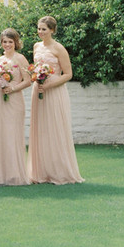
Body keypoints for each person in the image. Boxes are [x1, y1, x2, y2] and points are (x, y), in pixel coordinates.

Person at [27, 16, 84, 184]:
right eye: (38, 28)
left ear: (52, 30)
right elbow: (35, 68)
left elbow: (68, 74)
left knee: (55, 128)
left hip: (55, 91)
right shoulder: (36, 46)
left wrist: (50, 84)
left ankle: (59, 171)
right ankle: (41, 171)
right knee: (41, 129)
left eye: (44, 29)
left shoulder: (59, 48)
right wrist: (36, 78)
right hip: (39, 90)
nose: (40, 32)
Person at [0, 28, 31, 186]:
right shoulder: (0, 58)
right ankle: (1, 174)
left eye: (10, 42)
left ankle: (14, 174)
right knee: (1, 134)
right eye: (4, 42)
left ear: (16, 42)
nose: (7, 44)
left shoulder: (21, 58)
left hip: (13, 99)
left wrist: (12, 89)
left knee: (12, 134)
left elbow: (28, 80)